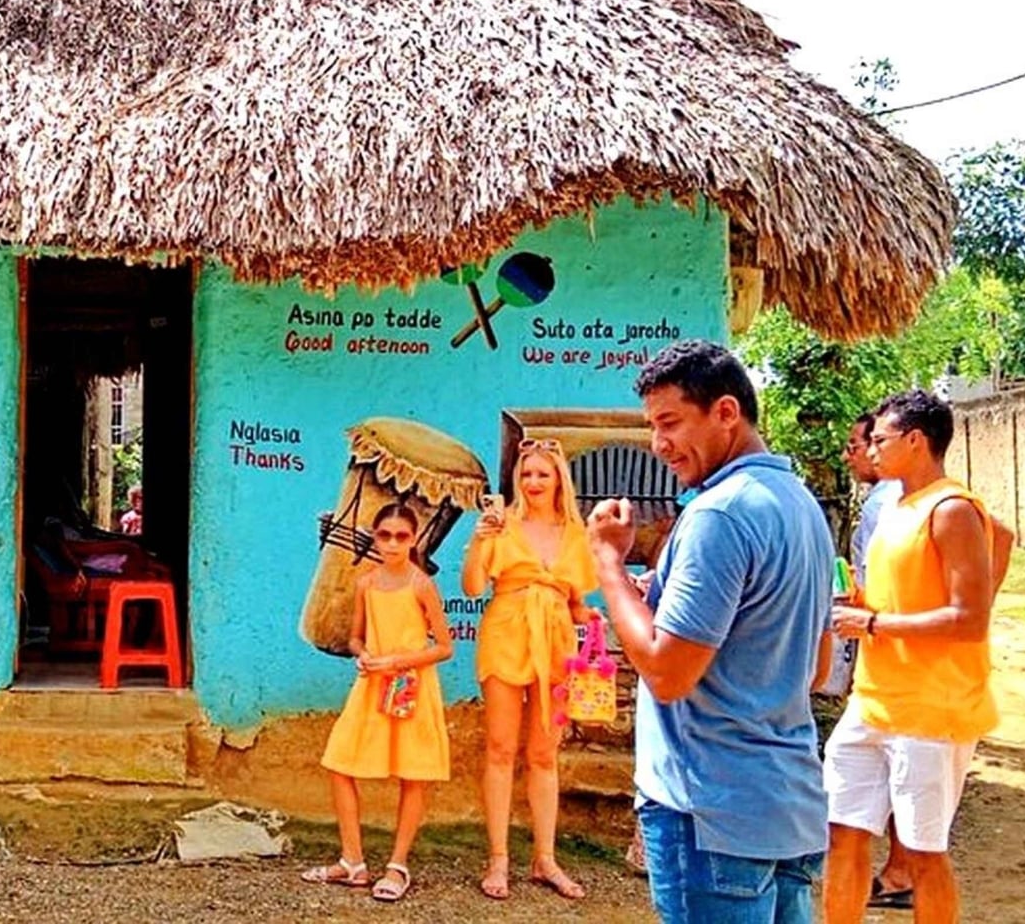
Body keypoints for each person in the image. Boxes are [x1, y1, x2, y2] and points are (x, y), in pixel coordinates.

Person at [586, 339, 834, 923]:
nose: (659, 445)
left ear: (726, 412)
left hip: (711, 812)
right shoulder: (800, 506)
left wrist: (608, 565)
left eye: (670, 422)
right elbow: (816, 669)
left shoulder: (718, 515)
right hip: (786, 808)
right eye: (652, 426)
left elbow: (668, 673)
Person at [823, 390, 1014, 924]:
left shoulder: (950, 509)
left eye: (880, 439)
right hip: (874, 702)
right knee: (843, 831)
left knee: (924, 853)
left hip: (933, 711)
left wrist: (877, 624)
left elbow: (969, 619)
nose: (871, 449)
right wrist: (862, 605)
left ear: (915, 441)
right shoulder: (898, 506)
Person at [462, 438, 597, 901]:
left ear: (559, 478)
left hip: (556, 641)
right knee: (500, 748)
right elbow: (474, 585)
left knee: (544, 755)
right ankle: (498, 858)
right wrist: (478, 540)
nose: (533, 482)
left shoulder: (575, 533)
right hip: (505, 631)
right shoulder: (502, 525)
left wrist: (595, 624)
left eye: (542, 473)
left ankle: (545, 859)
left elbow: (578, 601)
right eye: (526, 474)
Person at [304, 504, 453, 902]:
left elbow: (444, 647)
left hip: (411, 687)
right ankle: (352, 859)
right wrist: (363, 654)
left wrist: (397, 660)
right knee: (339, 762)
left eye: (401, 536)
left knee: (412, 773)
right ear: (374, 535)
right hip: (372, 686)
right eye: (384, 535)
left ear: (414, 538)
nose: (391, 543)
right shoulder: (366, 583)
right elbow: (356, 636)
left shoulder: (422, 585)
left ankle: (397, 865)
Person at [837, 413, 912, 910]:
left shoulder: (897, 501)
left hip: (900, 659)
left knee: (900, 766)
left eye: (859, 444)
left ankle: (902, 871)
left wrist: (878, 623)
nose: (852, 454)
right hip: (879, 651)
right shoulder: (883, 500)